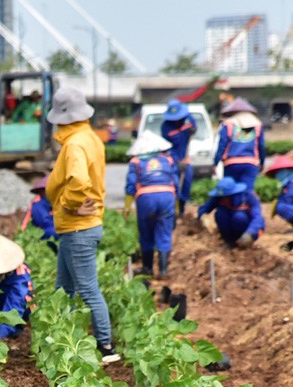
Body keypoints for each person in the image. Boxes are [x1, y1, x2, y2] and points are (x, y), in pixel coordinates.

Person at [45, 86, 118, 364]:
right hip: (77, 227)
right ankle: (62, 337)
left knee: (88, 289)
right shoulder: (90, 138)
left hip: (79, 226)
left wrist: (68, 204)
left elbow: (78, 181)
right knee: (63, 290)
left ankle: (105, 348)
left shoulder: (75, 144)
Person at [123, 131, 178, 279]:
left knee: (146, 233)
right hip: (167, 197)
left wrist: (127, 207)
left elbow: (131, 185)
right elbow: (176, 183)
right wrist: (177, 207)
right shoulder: (168, 160)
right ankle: (163, 270)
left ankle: (147, 269)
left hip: (146, 199)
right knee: (164, 232)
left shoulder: (136, 162)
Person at [197, 176, 265, 248]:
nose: (224, 199)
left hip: (249, 229)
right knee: (220, 214)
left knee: (238, 217)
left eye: (226, 197)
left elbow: (258, 218)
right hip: (230, 223)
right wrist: (201, 216)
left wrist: (250, 233)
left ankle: (244, 242)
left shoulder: (248, 197)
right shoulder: (218, 197)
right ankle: (230, 241)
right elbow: (205, 208)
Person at [214, 97, 265, 190]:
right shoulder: (257, 124)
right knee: (247, 191)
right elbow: (261, 146)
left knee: (230, 191)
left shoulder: (228, 124)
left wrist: (215, 163)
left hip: (231, 163)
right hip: (251, 163)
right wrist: (262, 163)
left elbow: (222, 145)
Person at [160, 99, 197, 216]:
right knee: (174, 185)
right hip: (173, 159)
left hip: (185, 158)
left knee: (187, 181)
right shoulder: (165, 127)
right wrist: (174, 160)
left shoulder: (189, 120)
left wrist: (192, 130)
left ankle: (182, 207)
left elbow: (194, 128)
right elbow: (166, 147)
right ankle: (173, 210)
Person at [20, 175, 57, 246]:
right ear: (43, 191)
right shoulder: (38, 204)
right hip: (37, 234)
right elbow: (44, 222)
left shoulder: (52, 203)